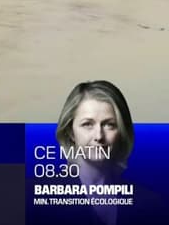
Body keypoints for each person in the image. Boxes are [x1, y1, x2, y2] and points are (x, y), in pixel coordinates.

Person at [42, 80, 165, 225]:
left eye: (109, 125)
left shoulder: (150, 204)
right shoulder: (38, 198)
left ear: (122, 132)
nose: (99, 136)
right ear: (71, 133)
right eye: (87, 124)